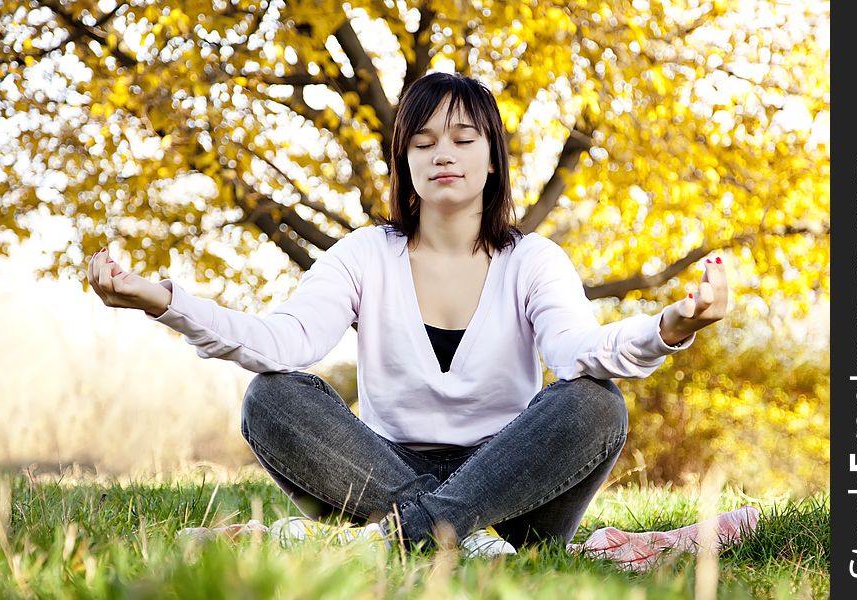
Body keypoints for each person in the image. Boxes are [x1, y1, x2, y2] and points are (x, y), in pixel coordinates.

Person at [87, 72, 728, 557]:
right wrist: (165, 302)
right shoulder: (366, 254)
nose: (441, 153)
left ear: (492, 156)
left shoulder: (533, 260)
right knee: (271, 397)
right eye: (421, 142)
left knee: (596, 404)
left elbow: (575, 350)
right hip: (379, 472)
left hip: (514, 488)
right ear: (406, 163)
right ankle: (454, 537)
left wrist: (667, 328)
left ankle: (395, 537)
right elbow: (283, 342)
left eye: (461, 137)